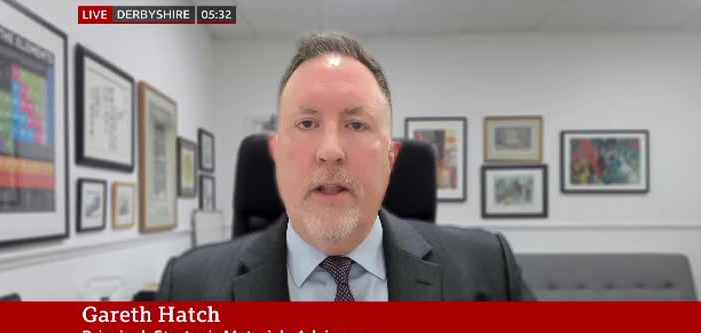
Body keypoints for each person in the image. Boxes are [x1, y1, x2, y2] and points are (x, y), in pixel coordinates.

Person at [157, 33, 534, 301]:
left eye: (356, 124)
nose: (330, 151)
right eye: (307, 123)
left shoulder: (488, 271)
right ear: (276, 152)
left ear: (390, 159)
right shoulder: (188, 288)